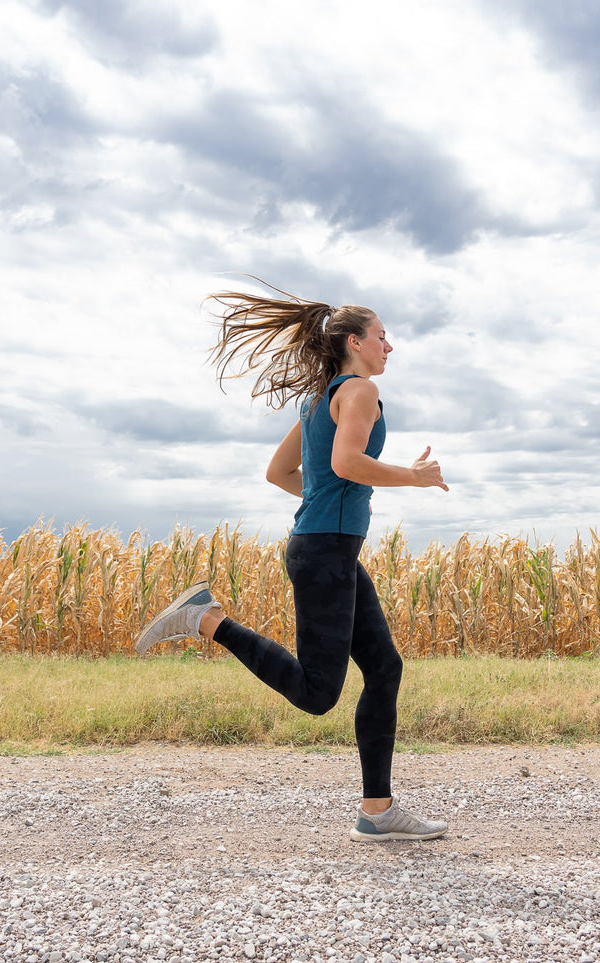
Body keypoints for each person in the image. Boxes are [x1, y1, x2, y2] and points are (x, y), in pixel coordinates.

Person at [136, 280, 451, 842]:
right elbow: (349, 461)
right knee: (317, 693)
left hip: (328, 549)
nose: (390, 346)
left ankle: (377, 812)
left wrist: (327, 499)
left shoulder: (317, 402)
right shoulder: (358, 393)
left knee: (384, 667)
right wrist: (411, 476)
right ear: (355, 342)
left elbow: (278, 473)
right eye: (383, 336)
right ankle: (205, 618)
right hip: (325, 552)